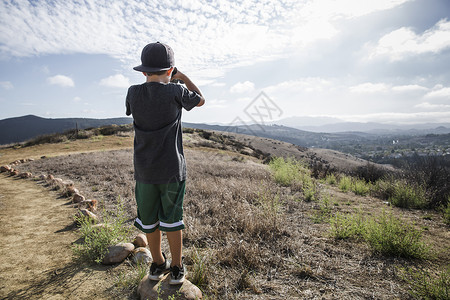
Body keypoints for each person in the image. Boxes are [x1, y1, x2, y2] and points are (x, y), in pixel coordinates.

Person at [125, 42, 205, 285]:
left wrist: (170, 79)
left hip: (144, 171)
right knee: (172, 219)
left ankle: (157, 263)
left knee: (149, 221)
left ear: (143, 71)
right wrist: (182, 77)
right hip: (172, 170)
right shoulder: (175, 91)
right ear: (170, 70)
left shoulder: (132, 92)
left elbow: (136, 107)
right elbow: (200, 100)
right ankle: (178, 268)